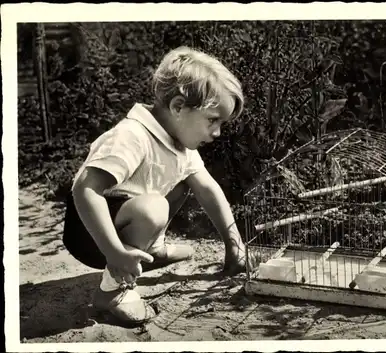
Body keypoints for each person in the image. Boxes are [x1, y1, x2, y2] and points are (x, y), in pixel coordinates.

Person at [63, 46, 253, 325]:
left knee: (185, 183)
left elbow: (208, 190)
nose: (217, 133)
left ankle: (151, 247)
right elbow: (84, 189)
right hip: (91, 233)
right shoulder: (132, 135)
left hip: (123, 215)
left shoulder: (179, 142)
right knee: (155, 206)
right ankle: (113, 289)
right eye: (213, 120)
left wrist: (233, 244)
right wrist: (115, 253)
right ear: (178, 107)